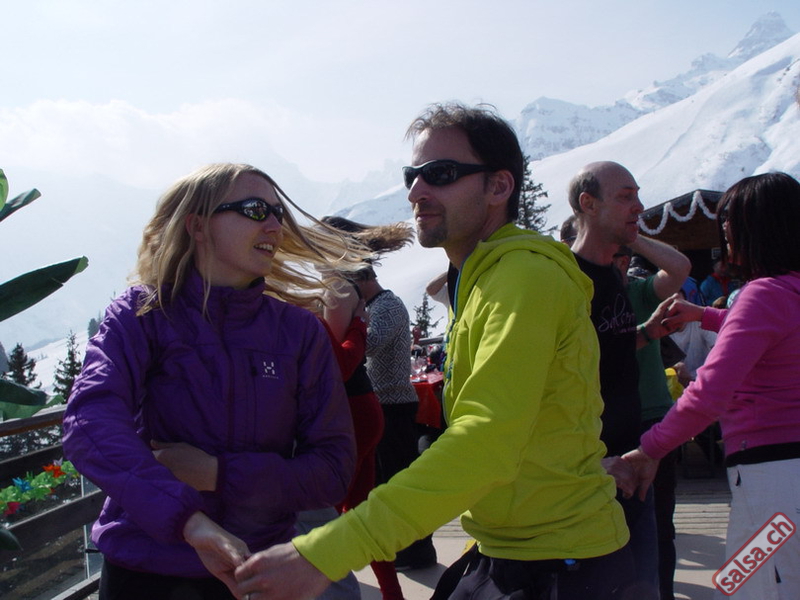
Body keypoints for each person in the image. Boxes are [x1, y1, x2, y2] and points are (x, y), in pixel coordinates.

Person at [231, 103, 632, 600]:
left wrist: (326, 553)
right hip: (517, 548)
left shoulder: (523, 278)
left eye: (440, 174)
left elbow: (486, 439)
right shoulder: (485, 278)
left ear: (499, 187)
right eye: (412, 176)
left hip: (558, 563)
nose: (416, 191)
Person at [61, 163, 362, 600]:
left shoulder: (299, 332)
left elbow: (333, 470)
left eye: (278, 212)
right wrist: (188, 520)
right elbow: (89, 422)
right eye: (255, 209)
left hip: (256, 572)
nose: (275, 225)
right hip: (144, 571)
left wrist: (219, 474)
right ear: (198, 226)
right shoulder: (141, 315)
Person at [624, 172, 800, 600]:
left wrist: (649, 449)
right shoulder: (786, 291)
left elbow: (708, 395)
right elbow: (775, 328)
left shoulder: (762, 296)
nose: (724, 233)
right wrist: (705, 315)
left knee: (754, 588)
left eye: (728, 222)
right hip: (785, 478)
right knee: (742, 580)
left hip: (770, 480)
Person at [568, 161, 661, 599]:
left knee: (644, 583)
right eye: (626, 197)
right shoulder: (567, 280)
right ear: (588, 204)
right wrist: (588, 466)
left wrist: (648, 332)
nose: (638, 206)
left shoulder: (611, 273)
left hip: (633, 460)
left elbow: (608, 351)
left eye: (637, 196)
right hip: (590, 473)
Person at [321, 216, 436, 572]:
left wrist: (351, 324)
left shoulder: (388, 305)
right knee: (384, 484)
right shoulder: (374, 306)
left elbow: (369, 345)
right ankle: (402, 552)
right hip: (385, 404)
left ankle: (417, 551)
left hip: (394, 406)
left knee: (397, 483)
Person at [611, 241, 691, 600]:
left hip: (652, 421)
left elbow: (679, 268)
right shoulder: (576, 297)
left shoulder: (639, 291)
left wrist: (630, 233)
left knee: (658, 524)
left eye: (619, 255)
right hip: (604, 423)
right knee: (612, 526)